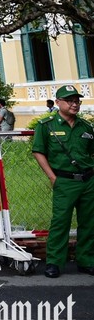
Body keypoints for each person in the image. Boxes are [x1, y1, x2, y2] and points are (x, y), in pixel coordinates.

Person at [31, 84, 94, 278]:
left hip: (88, 181)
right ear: (58, 102)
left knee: (89, 222)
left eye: (77, 101)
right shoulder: (47, 125)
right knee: (60, 222)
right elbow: (38, 152)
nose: (75, 104)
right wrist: (52, 177)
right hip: (64, 181)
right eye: (70, 101)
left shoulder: (85, 126)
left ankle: (86, 260)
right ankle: (55, 263)